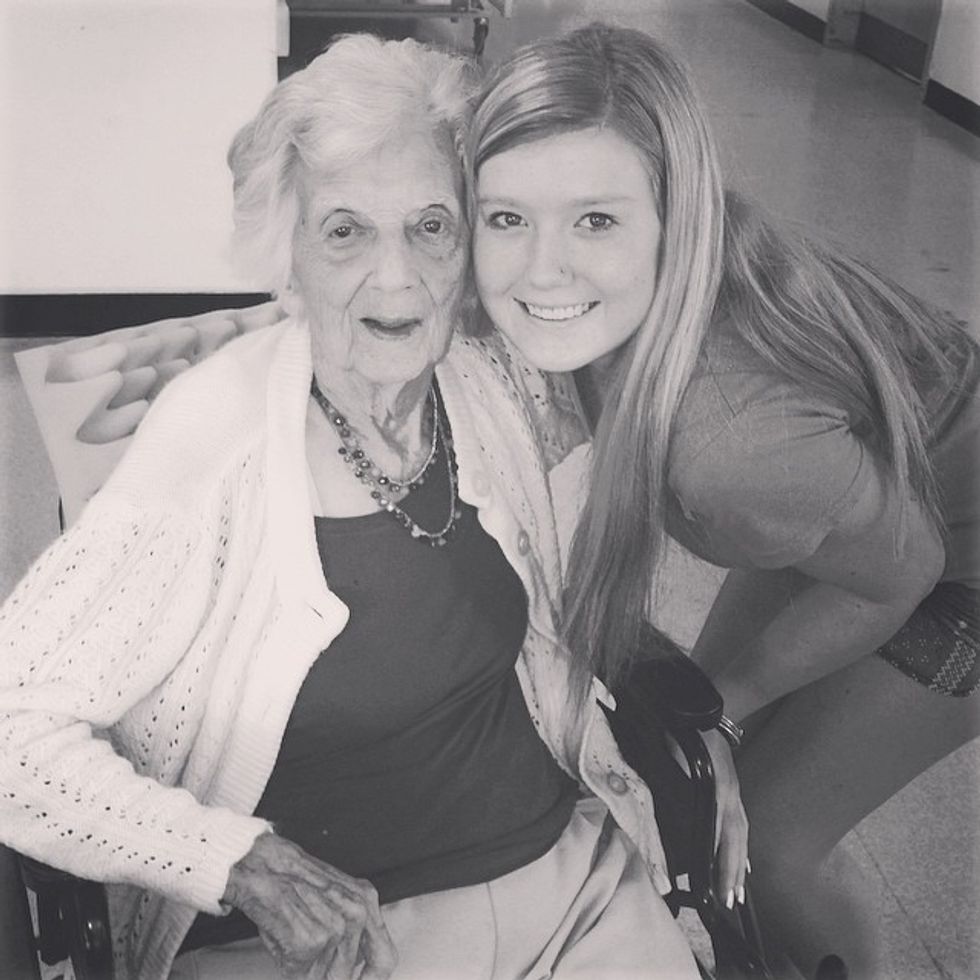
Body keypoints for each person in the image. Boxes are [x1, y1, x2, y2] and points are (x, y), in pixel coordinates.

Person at [0, 32, 703, 980]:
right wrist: (234, 860)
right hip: (334, 943)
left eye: (431, 226)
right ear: (286, 253)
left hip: (570, 888)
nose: (397, 277)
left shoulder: (489, 381)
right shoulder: (214, 438)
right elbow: (11, 725)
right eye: (345, 231)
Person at [468, 22, 980, 980]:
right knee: (699, 784)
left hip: (945, 561)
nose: (541, 271)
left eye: (596, 221)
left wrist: (728, 710)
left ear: (675, 217)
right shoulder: (609, 309)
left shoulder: (725, 449)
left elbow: (901, 570)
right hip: (855, 504)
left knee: (774, 844)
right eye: (507, 218)